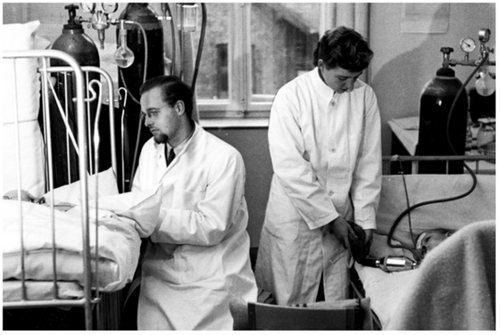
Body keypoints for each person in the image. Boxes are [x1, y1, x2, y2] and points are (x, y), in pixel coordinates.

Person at [255, 26, 382, 305]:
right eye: (343, 78)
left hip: (343, 218)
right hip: (295, 217)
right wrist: (330, 218)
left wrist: (365, 221)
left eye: (356, 77)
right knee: (289, 304)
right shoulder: (291, 97)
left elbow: (368, 165)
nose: (350, 86)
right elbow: (291, 168)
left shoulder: (365, 96)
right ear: (322, 65)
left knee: (333, 302)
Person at [131, 75, 257, 330]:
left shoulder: (223, 158)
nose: (147, 122)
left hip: (208, 281)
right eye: (145, 114)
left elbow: (212, 226)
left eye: (153, 113)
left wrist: (149, 218)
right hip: (159, 278)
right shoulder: (149, 151)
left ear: (179, 108)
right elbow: (137, 201)